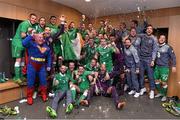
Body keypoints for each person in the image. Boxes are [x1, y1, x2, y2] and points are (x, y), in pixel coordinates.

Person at [22, 33, 51, 105]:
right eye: (39, 37)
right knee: (30, 82)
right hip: (32, 65)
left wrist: (48, 65)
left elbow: (49, 57)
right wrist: (31, 36)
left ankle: (43, 94)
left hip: (42, 66)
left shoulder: (47, 47)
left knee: (43, 81)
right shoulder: (31, 44)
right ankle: (29, 97)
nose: (41, 39)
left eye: (42, 37)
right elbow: (23, 43)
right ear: (35, 38)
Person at [11, 13, 37, 84]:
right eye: (32, 18)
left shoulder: (31, 25)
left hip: (23, 44)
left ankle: (21, 76)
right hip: (18, 43)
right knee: (18, 60)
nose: (34, 20)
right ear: (29, 18)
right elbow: (22, 35)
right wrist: (31, 34)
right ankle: (17, 78)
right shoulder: (25, 23)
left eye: (35, 19)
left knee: (22, 60)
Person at [154, 35, 176, 101]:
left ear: (165, 39)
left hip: (164, 67)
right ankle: (160, 93)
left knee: (163, 82)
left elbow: (173, 57)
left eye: (163, 38)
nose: (162, 39)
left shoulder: (168, 47)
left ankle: (164, 95)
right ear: (159, 39)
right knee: (156, 81)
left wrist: (174, 66)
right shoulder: (156, 46)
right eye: (160, 38)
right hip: (157, 66)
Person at [139, 24, 158, 99]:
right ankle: (142, 88)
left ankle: (152, 90)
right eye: (148, 28)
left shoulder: (154, 38)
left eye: (151, 28)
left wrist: (153, 60)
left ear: (152, 30)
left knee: (150, 76)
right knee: (141, 75)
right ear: (146, 30)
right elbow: (134, 34)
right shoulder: (142, 36)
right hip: (141, 59)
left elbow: (155, 50)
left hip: (149, 59)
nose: (149, 30)